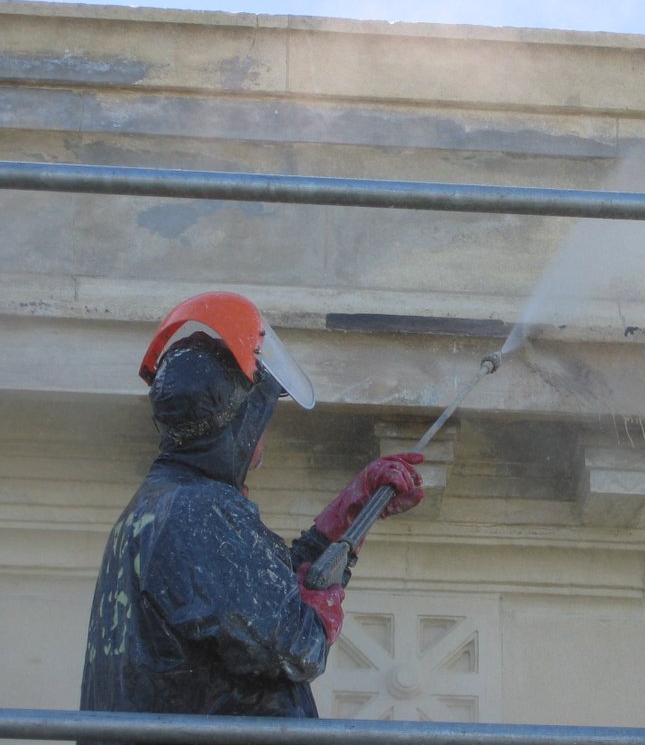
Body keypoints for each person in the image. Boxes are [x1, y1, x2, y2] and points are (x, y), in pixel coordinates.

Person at [79, 291, 424, 726]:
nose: (264, 441)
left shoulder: (162, 506)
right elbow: (295, 644)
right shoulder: (200, 514)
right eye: (262, 421)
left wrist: (349, 515)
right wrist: (321, 601)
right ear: (239, 424)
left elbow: (259, 596)